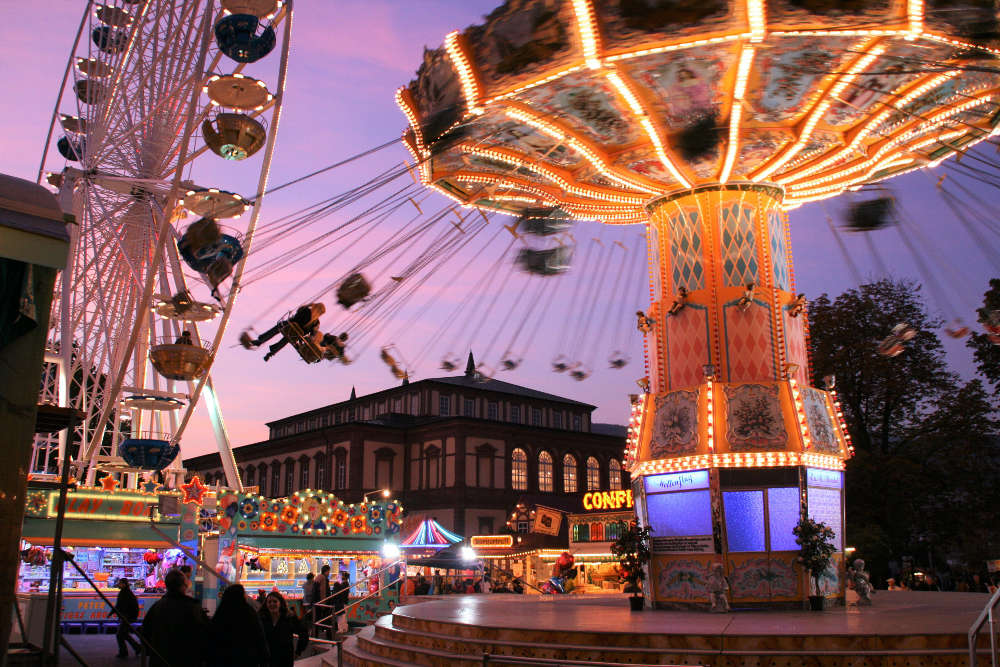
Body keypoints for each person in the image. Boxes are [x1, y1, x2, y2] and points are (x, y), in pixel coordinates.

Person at [141, 569, 209, 667]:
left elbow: (145, 632)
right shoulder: (193, 607)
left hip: (160, 659)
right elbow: (204, 633)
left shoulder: (157, 607)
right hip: (186, 659)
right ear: (183, 586)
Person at [240, 303, 326, 361]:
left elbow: (297, 315)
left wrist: (309, 305)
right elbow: (312, 335)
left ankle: (260, 341)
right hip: (296, 335)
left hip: (289, 326)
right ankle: (271, 353)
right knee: (287, 339)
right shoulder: (316, 323)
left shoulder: (307, 310)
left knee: (276, 329)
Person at [208, 583, 269, 666]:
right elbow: (259, 636)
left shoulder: (221, 613)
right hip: (246, 658)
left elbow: (212, 638)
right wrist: (264, 658)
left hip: (223, 659)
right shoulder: (249, 613)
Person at [259, 591, 309, 667]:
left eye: (275, 601)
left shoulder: (289, 617)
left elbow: (304, 633)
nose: (272, 604)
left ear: (280, 603)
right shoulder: (262, 619)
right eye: (269, 602)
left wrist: (298, 651)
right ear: (266, 605)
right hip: (267, 660)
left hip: (285, 659)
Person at [110, 578, 140, 658]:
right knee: (124, 634)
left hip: (127, 616)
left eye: (120, 583)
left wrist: (112, 613)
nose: (119, 585)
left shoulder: (124, 593)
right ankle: (137, 648)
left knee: (120, 634)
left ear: (124, 584)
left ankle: (124, 652)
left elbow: (120, 605)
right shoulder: (127, 592)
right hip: (129, 616)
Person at [312, 565, 332, 638]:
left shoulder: (318, 578)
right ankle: (329, 636)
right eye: (328, 571)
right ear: (326, 571)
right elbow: (326, 591)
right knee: (327, 620)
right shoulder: (323, 579)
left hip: (318, 603)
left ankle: (315, 635)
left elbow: (315, 591)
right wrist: (327, 601)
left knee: (317, 620)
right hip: (323, 602)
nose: (329, 573)